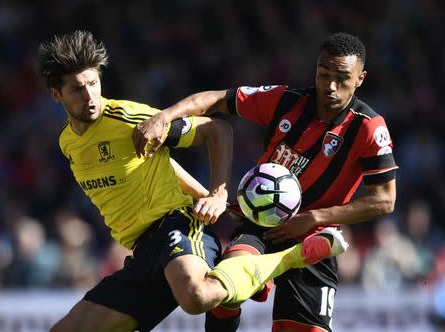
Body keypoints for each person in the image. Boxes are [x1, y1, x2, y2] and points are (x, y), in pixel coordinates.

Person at [39, 30, 348, 332]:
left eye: (93, 83)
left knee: (197, 295)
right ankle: (238, 279)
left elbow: (218, 130)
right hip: (142, 252)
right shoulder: (68, 142)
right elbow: (155, 161)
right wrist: (202, 192)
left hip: (175, 226)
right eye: (77, 89)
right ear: (56, 95)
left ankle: (295, 255)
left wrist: (216, 193)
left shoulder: (127, 120)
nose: (90, 95)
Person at [133, 32, 398, 331]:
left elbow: (385, 200)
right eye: (324, 74)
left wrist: (313, 218)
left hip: (314, 238)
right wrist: (164, 117)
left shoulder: (368, 128)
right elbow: (216, 100)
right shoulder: (286, 101)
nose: (331, 86)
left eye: (342, 78)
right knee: (222, 290)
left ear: (360, 78)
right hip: (260, 226)